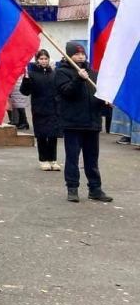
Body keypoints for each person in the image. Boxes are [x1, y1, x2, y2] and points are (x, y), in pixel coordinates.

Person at [55, 42, 112, 203]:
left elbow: (96, 95)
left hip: (92, 123)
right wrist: (78, 79)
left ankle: (95, 189)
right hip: (73, 123)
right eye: (77, 54)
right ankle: (72, 188)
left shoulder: (92, 73)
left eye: (83, 54)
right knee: (72, 158)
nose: (81, 57)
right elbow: (67, 92)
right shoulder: (62, 72)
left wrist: (105, 103)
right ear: (69, 55)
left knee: (92, 159)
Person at [19, 49, 61, 171]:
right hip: (39, 109)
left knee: (53, 136)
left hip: (53, 109)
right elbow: (25, 92)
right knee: (42, 135)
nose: (43, 61)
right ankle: (43, 160)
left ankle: (53, 159)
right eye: (41, 59)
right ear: (37, 60)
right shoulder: (32, 74)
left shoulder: (54, 74)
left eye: (45, 58)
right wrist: (26, 79)